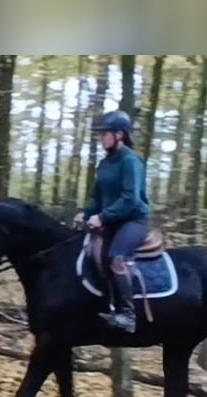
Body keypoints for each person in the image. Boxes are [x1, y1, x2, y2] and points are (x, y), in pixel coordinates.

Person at [74, 109, 150, 333]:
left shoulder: (131, 161)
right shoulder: (105, 163)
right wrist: (86, 214)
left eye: (104, 134)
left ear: (119, 134)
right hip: (111, 221)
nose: (100, 138)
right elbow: (98, 197)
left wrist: (103, 217)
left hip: (134, 220)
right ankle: (104, 305)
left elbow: (130, 199)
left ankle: (128, 314)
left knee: (116, 257)